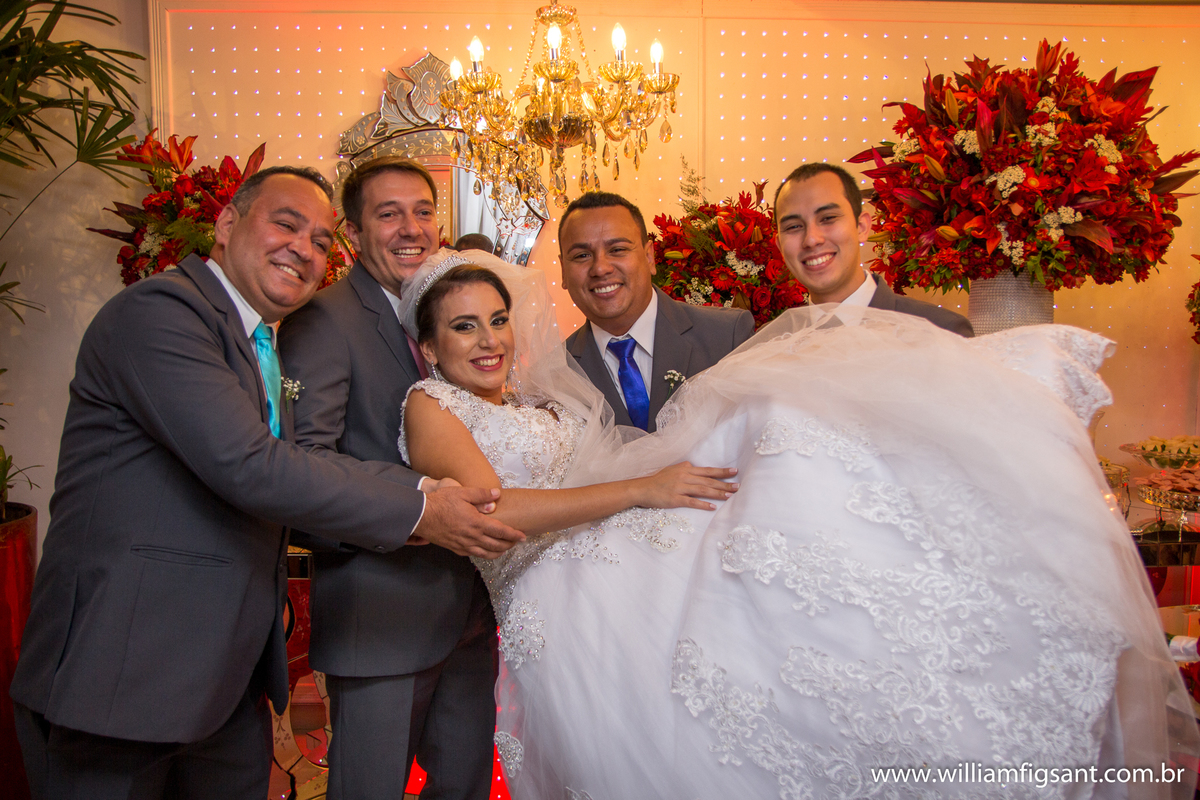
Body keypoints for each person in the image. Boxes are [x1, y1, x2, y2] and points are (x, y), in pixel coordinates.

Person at [399, 249, 1197, 800]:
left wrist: (667, 464)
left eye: (497, 320)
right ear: (428, 345)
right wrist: (648, 488)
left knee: (782, 450)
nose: (490, 340)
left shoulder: (533, 400)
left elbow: (610, 460)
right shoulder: (431, 405)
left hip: (608, 537)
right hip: (557, 587)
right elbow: (494, 512)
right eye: (464, 326)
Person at [9, 167, 523, 800]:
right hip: (127, 664)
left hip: (224, 674)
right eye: (285, 224)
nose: (304, 249)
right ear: (226, 224)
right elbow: (253, 464)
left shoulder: (256, 339)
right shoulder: (162, 312)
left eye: (318, 239)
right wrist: (421, 505)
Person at [278, 156, 511, 799]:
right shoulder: (324, 320)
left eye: (423, 211)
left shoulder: (450, 310)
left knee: (461, 786)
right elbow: (304, 466)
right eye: (389, 214)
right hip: (381, 614)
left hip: (472, 609)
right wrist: (422, 503)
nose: (411, 228)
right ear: (354, 231)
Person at [559, 191, 755, 432]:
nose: (600, 268)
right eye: (582, 255)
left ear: (649, 256)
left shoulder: (728, 336)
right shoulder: (557, 373)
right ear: (563, 271)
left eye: (617, 249)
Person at [774, 163, 974, 336]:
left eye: (828, 218)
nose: (811, 239)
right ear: (779, 246)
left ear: (862, 227)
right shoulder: (768, 344)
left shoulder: (940, 330)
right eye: (793, 227)